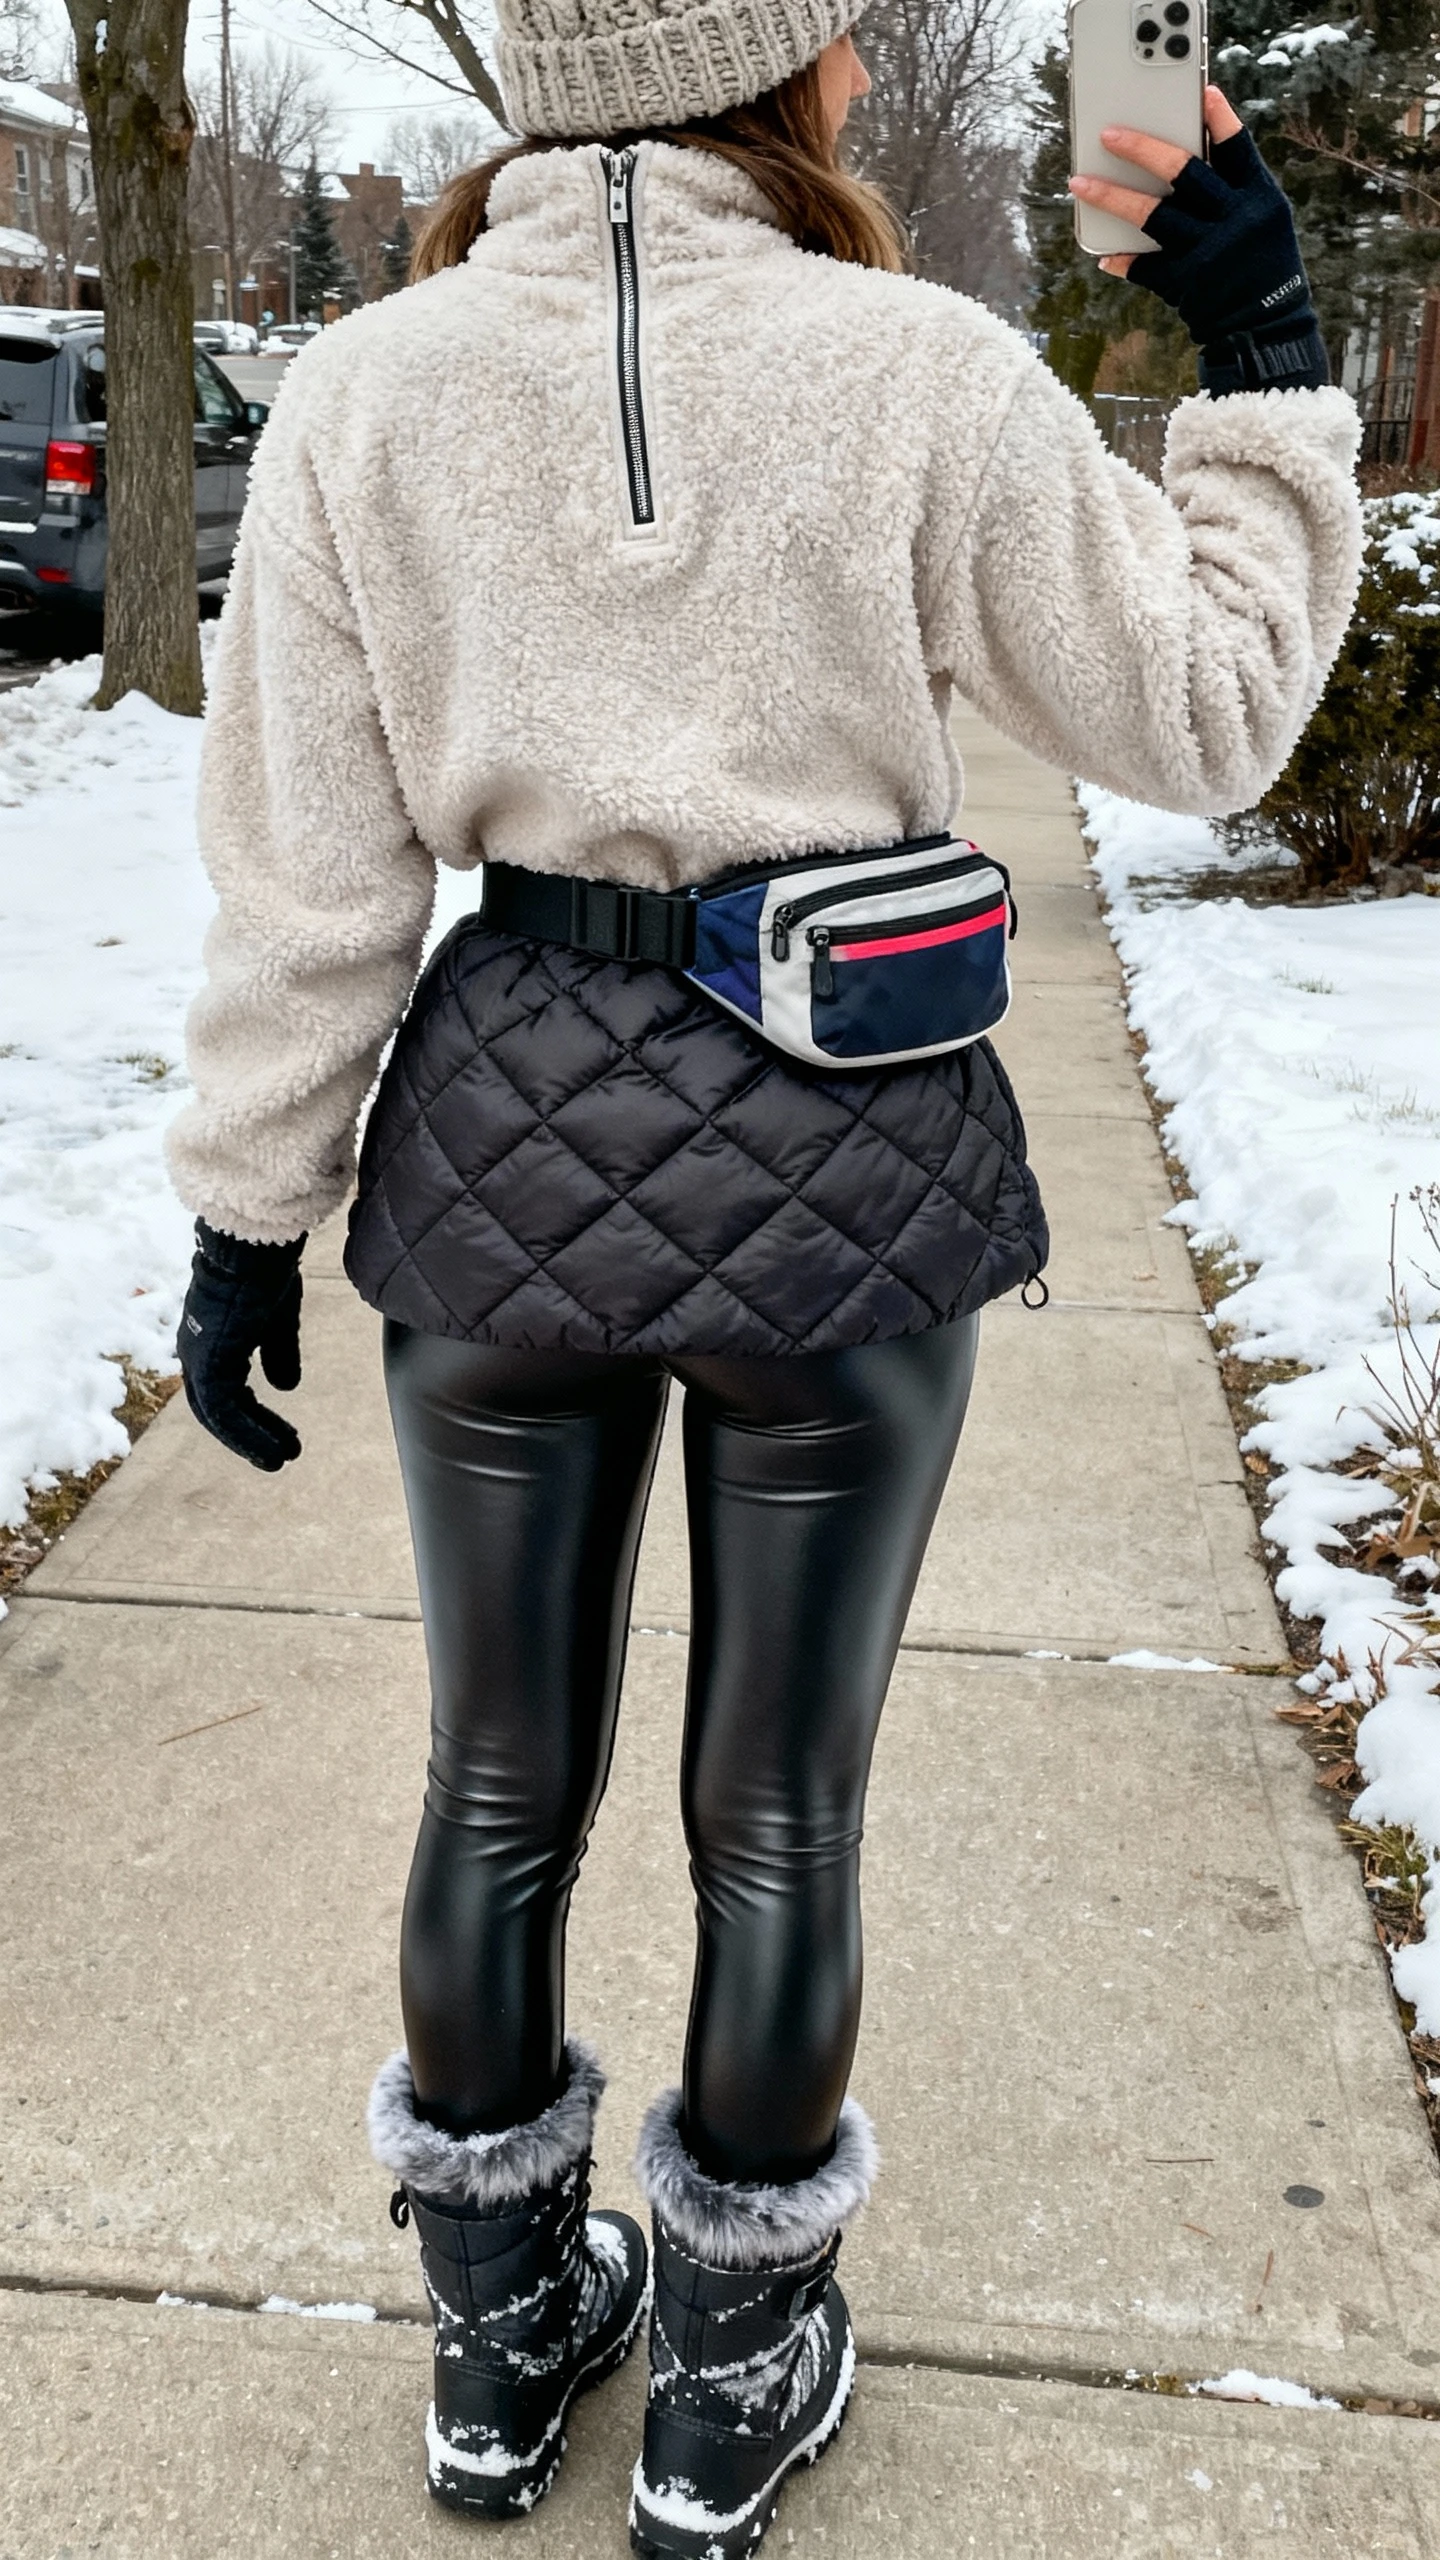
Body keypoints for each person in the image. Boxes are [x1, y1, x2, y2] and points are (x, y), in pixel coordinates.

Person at [166, 0, 1360, 2543]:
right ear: (787, 67)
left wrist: (241, 1216)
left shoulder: (368, 395)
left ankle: (498, 2356)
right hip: (844, 1165)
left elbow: (312, 868)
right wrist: (1262, 365)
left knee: (498, 1776)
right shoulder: (925, 372)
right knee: (778, 1800)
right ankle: (727, 2370)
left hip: (500, 1149)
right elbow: (1213, 704)